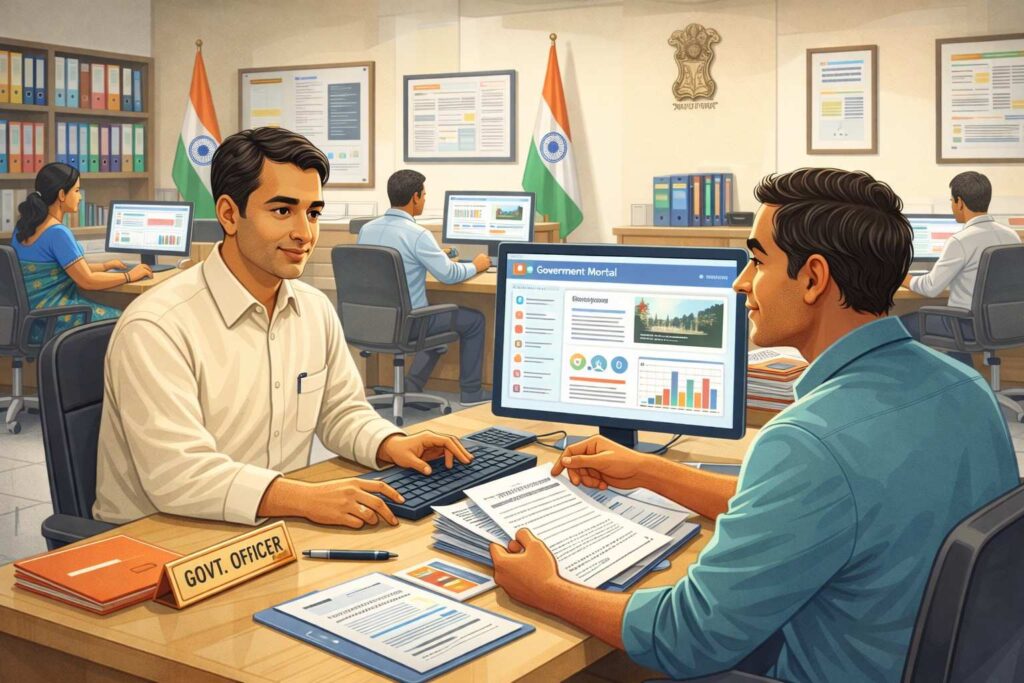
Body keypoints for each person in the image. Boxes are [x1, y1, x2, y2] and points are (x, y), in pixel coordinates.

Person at [488, 168, 1019, 682]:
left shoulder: (809, 440)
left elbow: (687, 637)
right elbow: (818, 507)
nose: (742, 283)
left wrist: (547, 588)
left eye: (757, 261)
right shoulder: (964, 386)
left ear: (813, 278)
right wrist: (650, 471)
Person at [94, 128, 473, 528]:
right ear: (228, 214)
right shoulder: (157, 327)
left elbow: (340, 412)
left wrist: (391, 443)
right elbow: (178, 473)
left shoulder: (313, 309)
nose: (305, 233)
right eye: (282, 211)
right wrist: (304, 498)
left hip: (270, 527)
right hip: (160, 543)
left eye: (313, 213)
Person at [357, 170, 492, 406]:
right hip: (410, 325)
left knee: (434, 317)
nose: (425, 200)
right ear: (415, 198)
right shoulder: (418, 234)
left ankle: (413, 385)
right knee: (473, 320)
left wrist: (437, 255)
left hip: (372, 323)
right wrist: (476, 265)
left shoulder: (367, 230)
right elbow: (449, 275)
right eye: (425, 195)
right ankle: (471, 392)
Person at [11, 163, 152, 343]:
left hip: (28, 321)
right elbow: (87, 281)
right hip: (53, 320)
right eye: (76, 191)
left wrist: (105, 266)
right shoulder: (57, 232)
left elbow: (57, 269)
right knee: (126, 321)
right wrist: (129, 276)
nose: (80, 197)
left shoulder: (23, 227)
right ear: (62, 195)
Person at [900, 171, 1020, 365]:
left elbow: (930, 288)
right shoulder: (1011, 236)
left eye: (951, 201)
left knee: (898, 326)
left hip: (968, 326)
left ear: (960, 202)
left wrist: (899, 277)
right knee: (952, 323)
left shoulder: (961, 241)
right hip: (1006, 323)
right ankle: (967, 382)